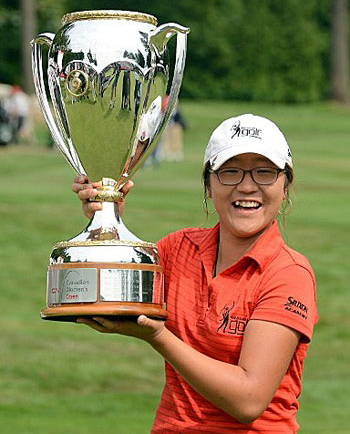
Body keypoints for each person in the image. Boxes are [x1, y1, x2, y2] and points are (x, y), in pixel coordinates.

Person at [72, 113, 318, 433]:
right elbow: (109, 289)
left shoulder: (289, 274)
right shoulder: (178, 249)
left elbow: (248, 399)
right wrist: (106, 218)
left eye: (264, 172)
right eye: (230, 172)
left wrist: (159, 337)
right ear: (209, 183)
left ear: (285, 186)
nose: (247, 186)